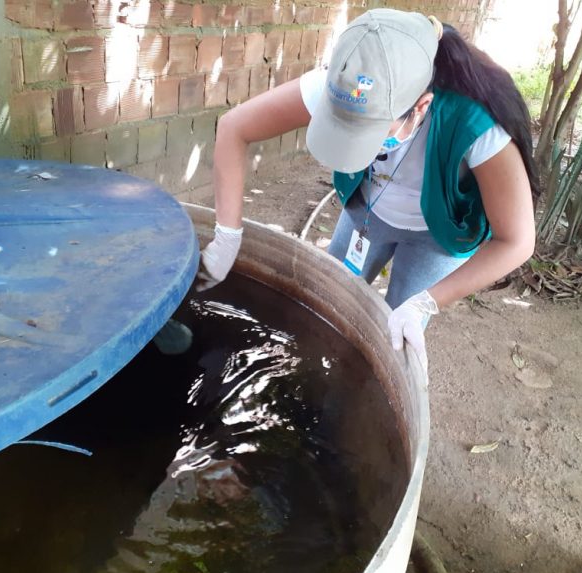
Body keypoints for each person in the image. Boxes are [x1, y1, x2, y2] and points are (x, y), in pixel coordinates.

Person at [199, 9, 539, 376]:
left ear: (420, 107)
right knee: (327, 300)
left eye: (366, 135)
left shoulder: (476, 126)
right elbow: (234, 128)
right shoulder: (346, 85)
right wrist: (227, 237)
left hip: (439, 234)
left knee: (395, 330)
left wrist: (427, 303)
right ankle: (310, 376)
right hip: (368, 211)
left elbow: (517, 240)